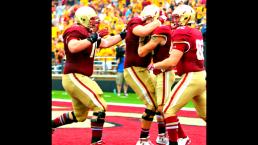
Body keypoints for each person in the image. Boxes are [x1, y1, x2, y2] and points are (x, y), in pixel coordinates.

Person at [51, 6, 126, 145]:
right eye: (92, 20)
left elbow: (107, 42)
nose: (95, 22)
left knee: (79, 116)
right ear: (83, 19)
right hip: (74, 76)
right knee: (100, 105)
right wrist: (91, 38)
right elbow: (73, 47)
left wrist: (122, 35)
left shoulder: (89, 34)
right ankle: (96, 142)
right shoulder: (76, 30)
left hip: (78, 77)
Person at [148, 5, 206, 145]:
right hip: (201, 76)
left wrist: (154, 65)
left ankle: (177, 141)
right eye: (173, 17)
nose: (174, 20)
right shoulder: (195, 31)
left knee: (168, 110)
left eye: (177, 17)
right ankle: (182, 138)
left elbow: (173, 61)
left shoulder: (182, 32)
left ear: (187, 17)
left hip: (192, 77)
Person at [138, 18, 190, 145]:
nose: (146, 22)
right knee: (162, 107)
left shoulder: (162, 30)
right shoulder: (163, 30)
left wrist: (140, 40)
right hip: (160, 73)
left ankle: (182, 137)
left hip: (164, 72)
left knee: (163, 108)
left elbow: (142, 52)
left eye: (149, 19)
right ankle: (164, 136)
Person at [123, 4, 165, 145]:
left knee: (161, 101)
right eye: (148, 19)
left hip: (145, 69)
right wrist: (158, 21)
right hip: (133, 68)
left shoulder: (155, 28)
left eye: (150, 19)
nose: (149, 21)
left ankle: (162, 134)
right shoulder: (135, 21)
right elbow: (142, 31)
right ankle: (143, 139)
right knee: (152, 103)